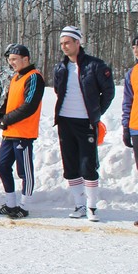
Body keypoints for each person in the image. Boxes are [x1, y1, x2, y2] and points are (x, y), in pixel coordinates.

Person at [53, 26, 114, 222]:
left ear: (78, 43)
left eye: (68, 42)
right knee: (70, 165)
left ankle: (92, 206)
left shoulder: (95, 65)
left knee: (88, 164)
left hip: (85, 122)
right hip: (65, 121)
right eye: (62, 43)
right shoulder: (60, 67)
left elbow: (109, 92)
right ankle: (79, 204)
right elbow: (58, 90)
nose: (64, 46)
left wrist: (95, 113)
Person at [0, 44, 44, 220]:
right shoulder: (16, 78)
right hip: (10, 132)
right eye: (9, 60)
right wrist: (0, 112)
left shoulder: (34, 77)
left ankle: (24, 205)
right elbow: (9, 99)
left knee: (24, 171)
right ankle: (11, 203)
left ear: (25, 59)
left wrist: (7, 119)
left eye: (14, 59)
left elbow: (29, 106)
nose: (11, 63)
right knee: (2, 165)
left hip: (24, 133)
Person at [122, 36, 138, 227]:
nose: (136, 49)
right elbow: (127, 101)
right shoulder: (132, 73)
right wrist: (126, 127)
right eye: (134, 46)